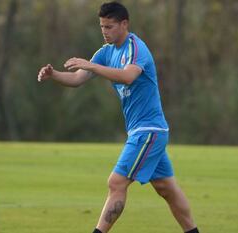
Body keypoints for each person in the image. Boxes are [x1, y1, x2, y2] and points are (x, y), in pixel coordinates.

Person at [37, 2, 199, 233]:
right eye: (102, 26)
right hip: (143, 131)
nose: (104, 31)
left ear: (124, 24)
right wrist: (54, 75)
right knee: (166, 188)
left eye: (109, 26)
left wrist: (92, 66)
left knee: (116, 182)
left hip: (148, 131)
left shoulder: (136, 48)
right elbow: (76, 79)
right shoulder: (105, 52)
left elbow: (127, 77)